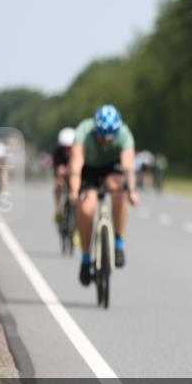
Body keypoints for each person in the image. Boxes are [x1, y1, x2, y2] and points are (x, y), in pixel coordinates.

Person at [68, 105, 140, 286]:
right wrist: (74, 191)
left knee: (119, 191)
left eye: (110, 138)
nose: (106, 141)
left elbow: (128, 166)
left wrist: (131, 190)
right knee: (86, 208)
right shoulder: (84, 131)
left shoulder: (124, 134)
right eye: (102, 137)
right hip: (89, 168)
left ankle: (119, 242)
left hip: (111, 167)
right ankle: (85, 259)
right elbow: (76, 165)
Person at [52, 127, 74, 226]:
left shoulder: (79, 151)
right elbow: (60, 171)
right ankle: (59, 209)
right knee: (59, 184)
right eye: (64, 148)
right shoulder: (57, 153)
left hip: (75, 177)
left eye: (69, 147)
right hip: (64, 176)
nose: (67, 150)